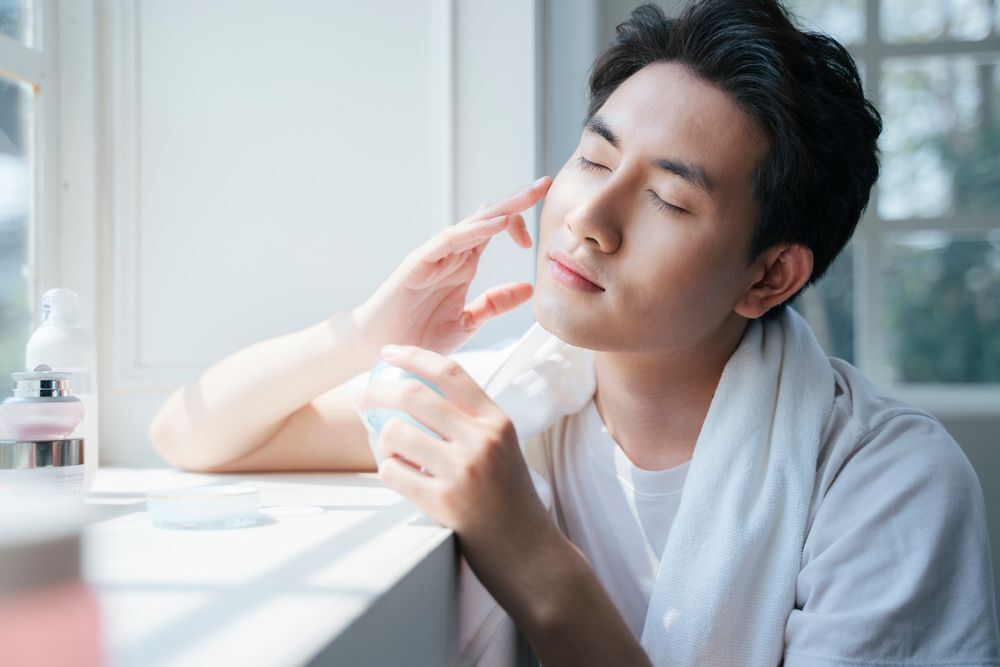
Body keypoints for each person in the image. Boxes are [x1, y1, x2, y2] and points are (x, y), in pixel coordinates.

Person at [149, 1, 1000, 665]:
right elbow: (194, 432)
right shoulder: (523, 394)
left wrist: (531, 556)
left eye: (668, 199)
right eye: (594, 159)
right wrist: (367, 332)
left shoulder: (892, 485)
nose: (588, 217)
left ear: (768, 275)